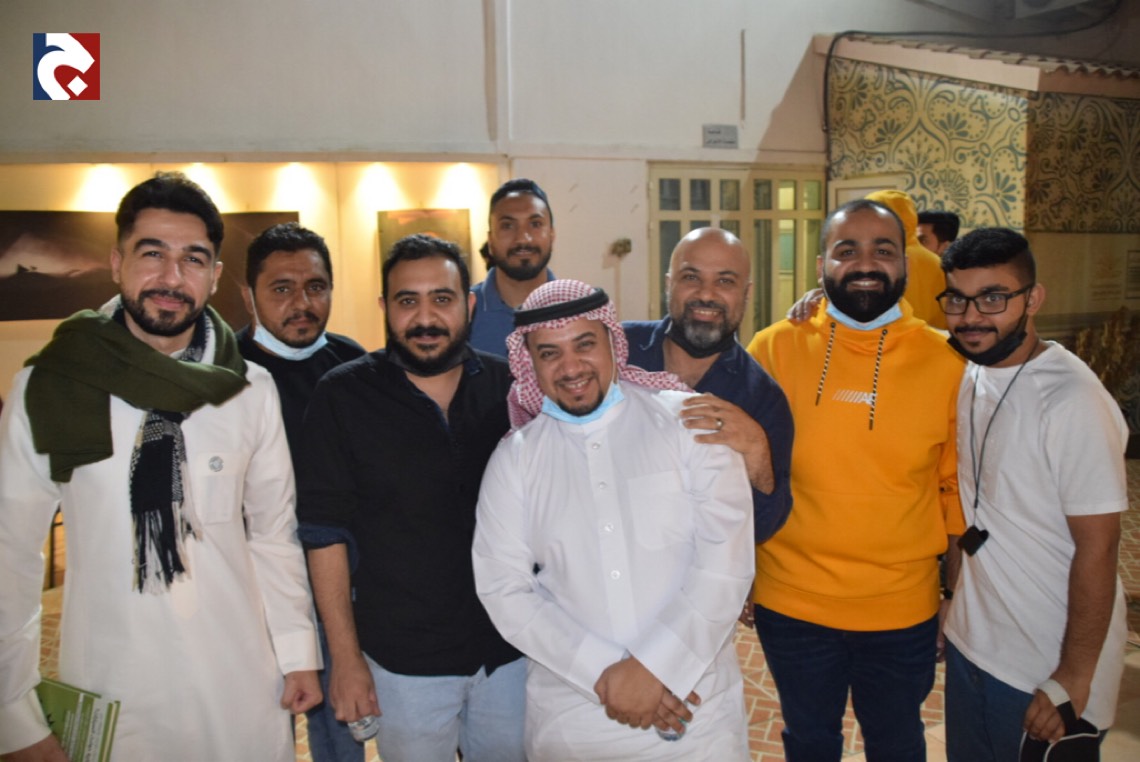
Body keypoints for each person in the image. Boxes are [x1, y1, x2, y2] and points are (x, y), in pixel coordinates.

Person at [0, 172, 321, 761]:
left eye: (192, 259)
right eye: (152, 254)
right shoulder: (49, 387)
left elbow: (273, 534)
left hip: (240, 682)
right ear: (116, 262)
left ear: (214, 276)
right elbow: (9, 554)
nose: (172, 278)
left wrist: (297, 652)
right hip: (115, 686)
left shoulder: (249, 389)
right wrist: (12, 716)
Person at [473, 279, 755, 761]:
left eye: (584, 344)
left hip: (697, 713)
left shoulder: (689, 423)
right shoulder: (515, 460)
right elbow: (504, 589)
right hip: (576, 721)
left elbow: (725, 564)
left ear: (613, 342)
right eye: (549, 353)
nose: (571, 367)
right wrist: (605, 674)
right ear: (530, 363)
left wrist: (657, 667)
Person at [745, 198, 966, 761]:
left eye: (882, 250)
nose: (865, 263)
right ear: (822, 266)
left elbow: (955, 493)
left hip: (901, 608)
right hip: (791, 603)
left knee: (896, 743)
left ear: (906, 265)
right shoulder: (772, 348)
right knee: (809, 741)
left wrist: (955, 595)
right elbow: (734, 476)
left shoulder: (948, 362)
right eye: (847, 251)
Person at [297, 234, 525, 762]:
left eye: (442, 299)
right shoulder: (342, 396)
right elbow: (325, 535)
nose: (425, 318)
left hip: (509, 654)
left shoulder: (510, 387)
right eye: (407, 301)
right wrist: (346, 659)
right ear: (385, 307)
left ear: (469, 304)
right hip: (403, 666)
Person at [938, 228, 1129, 761]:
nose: (971, 316)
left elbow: (1099, 547)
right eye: (957, 299)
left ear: (1034, 298)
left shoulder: (1071, 400)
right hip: (974, 644)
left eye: (993, 298)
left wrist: (1073, 675)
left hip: (1044, 666)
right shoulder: (971, 371)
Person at [237, 221, 367, 761]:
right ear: (248, 295)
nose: (302, 304)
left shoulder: (353, 363)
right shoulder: (225, 374)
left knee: (343, 722)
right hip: (257, 584)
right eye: (282, 289)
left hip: (339, 577)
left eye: (316, 287)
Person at [623, 227, 793, 549]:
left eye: (725, 281)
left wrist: (756, 450)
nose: (706, 294)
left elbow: (762, 528)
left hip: (698, 574)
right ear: (668, 284)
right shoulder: (616, 351)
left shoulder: (763, 398)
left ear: (746, 292)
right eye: (691, 277)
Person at [469, 178, 556, 355]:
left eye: (535, 224)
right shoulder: (463, 313)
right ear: (490, 241)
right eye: (507, 226)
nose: (523, 238)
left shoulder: (582, 311)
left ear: (552, 235)